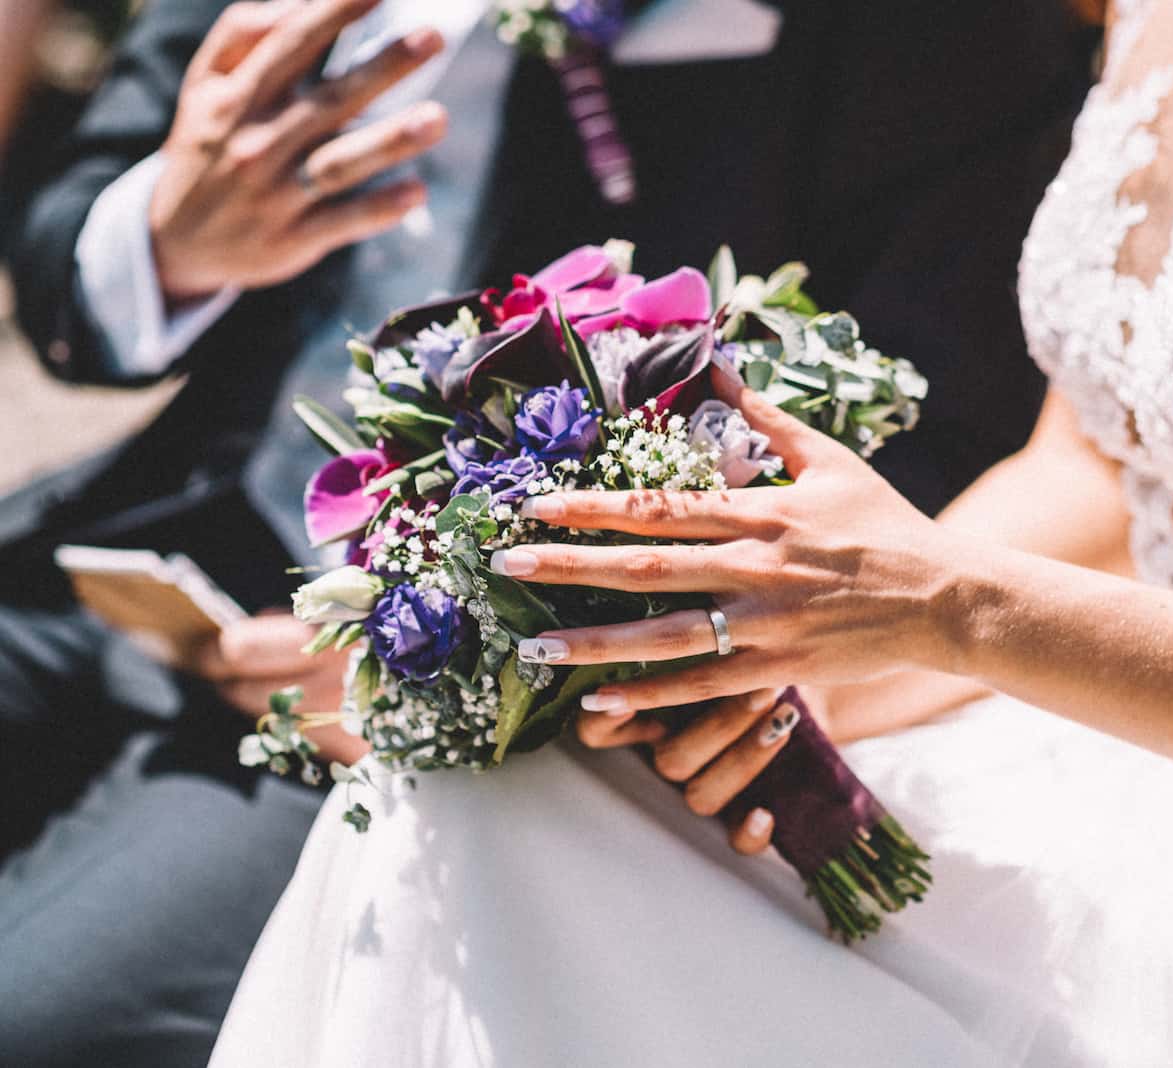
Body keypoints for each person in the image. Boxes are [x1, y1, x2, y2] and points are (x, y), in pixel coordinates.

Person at [212, 0, 1173, 1064]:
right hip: (1113, 733)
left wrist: (946, 603)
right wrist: (792, 655)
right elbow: (1106, 470)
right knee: (509, 806)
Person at [0, 0, 1095, 1063]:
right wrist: (164, 237)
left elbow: (931, 439)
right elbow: (64, 247)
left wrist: (468, 648)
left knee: (41, 1015)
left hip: (432, 688)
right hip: (144, 547)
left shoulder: (938, 28)